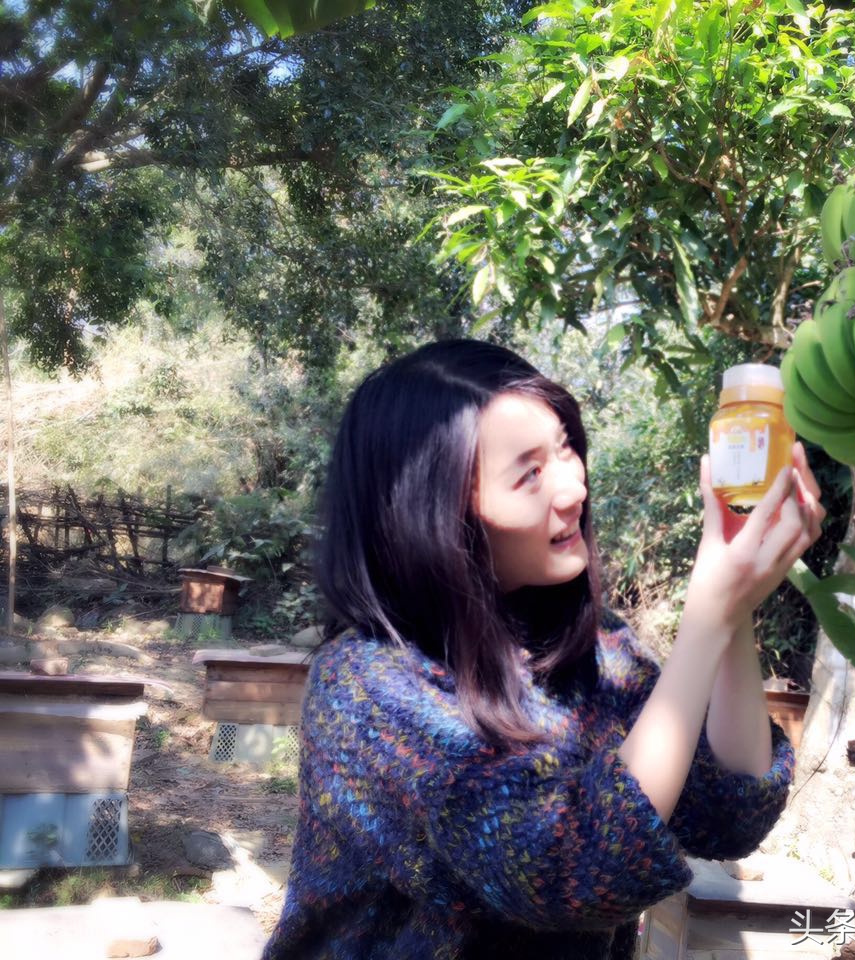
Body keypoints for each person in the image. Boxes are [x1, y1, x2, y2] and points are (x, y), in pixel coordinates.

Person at [261, 339, 826, 959]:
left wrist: (733, 610)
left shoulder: (600, 651)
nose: (572, 488)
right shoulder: (365, 688)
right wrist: (706, 617)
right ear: (433, 512)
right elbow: (568, 872)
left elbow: (729, 814)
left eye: (565, 449)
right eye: (529, 472)